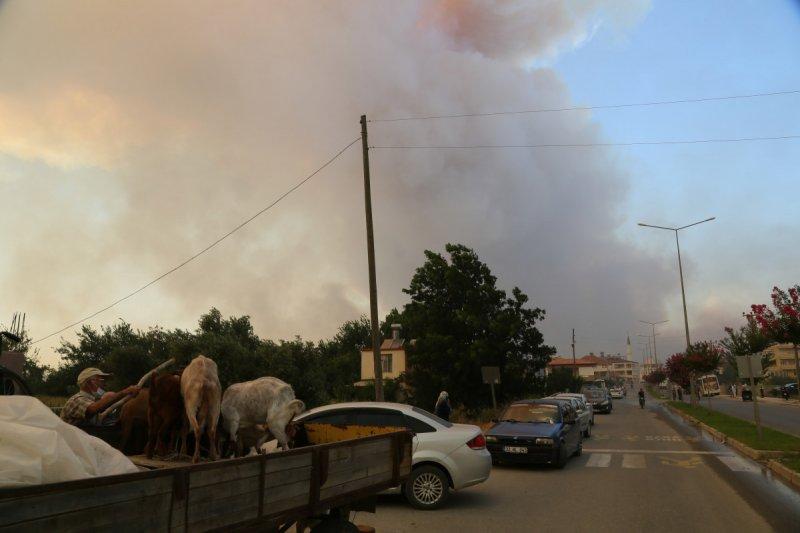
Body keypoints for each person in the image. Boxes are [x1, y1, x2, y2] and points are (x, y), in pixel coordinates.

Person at [60, 367, 140, 427]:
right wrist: (124, 392)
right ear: (90, 382)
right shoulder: (77, 400)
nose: (104, 384)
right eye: (101, 380)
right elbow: (93, 408)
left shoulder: (92, 400)